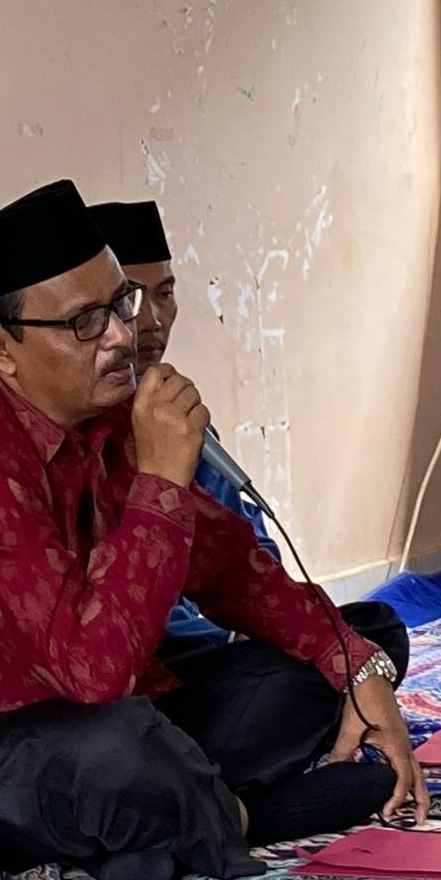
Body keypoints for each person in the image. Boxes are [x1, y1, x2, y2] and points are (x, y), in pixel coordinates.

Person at [0, 180, 424, 880]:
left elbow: (227, 566)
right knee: (119, 749)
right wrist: (163, 479)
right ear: (0, 347)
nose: (120, 336)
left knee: (363, 633)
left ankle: (169, 817)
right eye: (84, 322)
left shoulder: (105, 411)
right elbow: (93, 676)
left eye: (121, 304)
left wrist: (354, 665)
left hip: (108, 703)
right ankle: (237, 815)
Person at [86, 199, 287, 659]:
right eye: (130, 300)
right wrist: (224, 641)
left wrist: (262, 623)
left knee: (372, 630)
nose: (152, 322)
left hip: (223, 640)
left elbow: (249, 545)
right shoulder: (78, 432)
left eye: (165, 294)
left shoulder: (179, 413)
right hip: (143, 655)